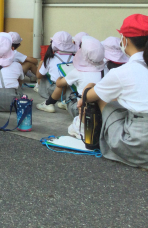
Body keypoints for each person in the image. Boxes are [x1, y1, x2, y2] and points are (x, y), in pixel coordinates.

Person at [76, 14, 148, 169]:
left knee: (99, 97)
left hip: (139, 145)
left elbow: (89, 96)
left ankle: (90, 134)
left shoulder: (123, 72)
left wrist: (89, 87)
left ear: (125, 40)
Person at [37, 36, 104, 117]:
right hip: (101, 111)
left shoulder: (78, 71)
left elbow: (59, 84)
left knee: (66, 84)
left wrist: (59, 78)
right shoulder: (105, 71)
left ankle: (49, 103)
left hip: (80, 111)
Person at [36, 31, 77, 104]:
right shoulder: (76, 58)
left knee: (43, 76)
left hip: (55, 93)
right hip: (71, 92)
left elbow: (38, 76)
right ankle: (65, 102)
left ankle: (41, 91)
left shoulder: (50, 58)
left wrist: (41, 62)